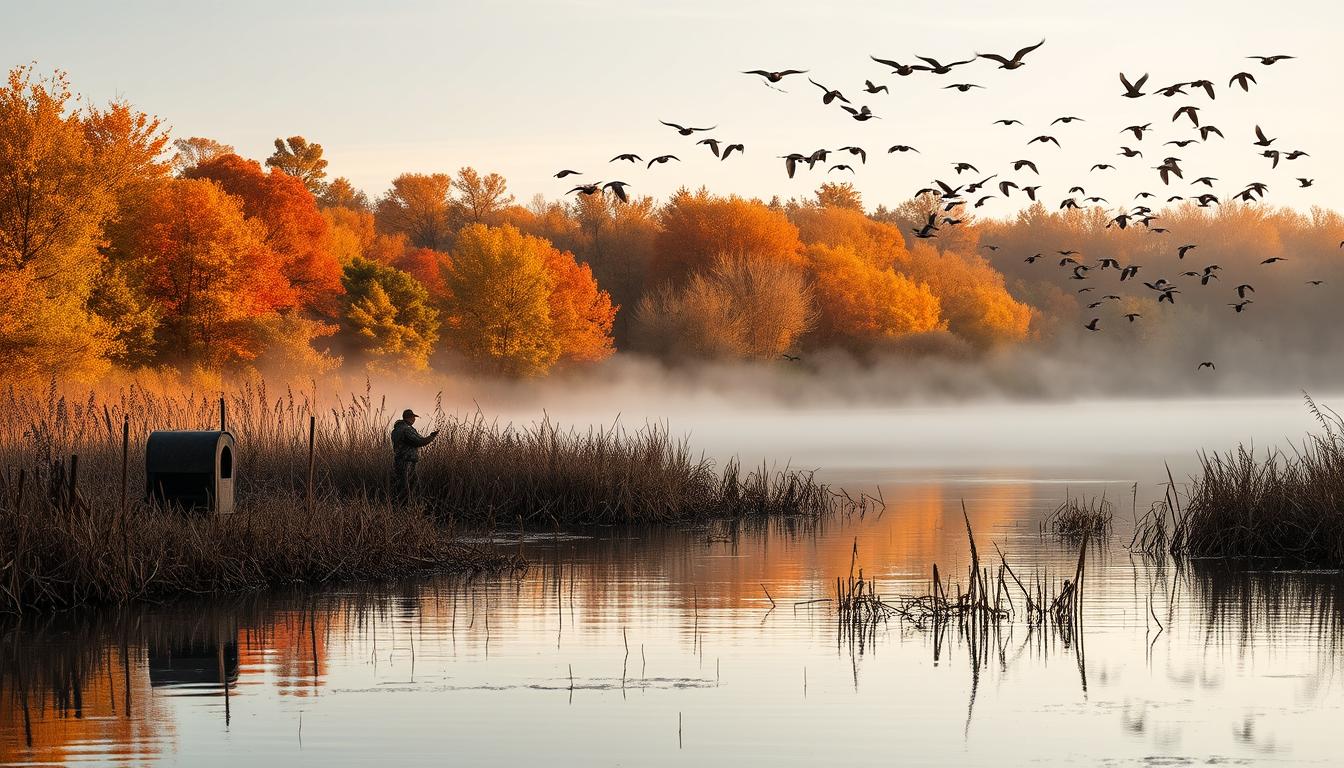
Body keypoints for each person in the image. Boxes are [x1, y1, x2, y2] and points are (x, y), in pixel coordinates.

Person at [390, 409, 439, 500]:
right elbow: (419, 441)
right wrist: (432, 436)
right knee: (407, 487)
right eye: (413, 417)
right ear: (410, 418)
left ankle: (406, 506)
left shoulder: (395, 430)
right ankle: (400, 507)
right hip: (407, 462)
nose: (414, 419)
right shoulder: (406, 429)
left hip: (399, 461)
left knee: (405, 485)